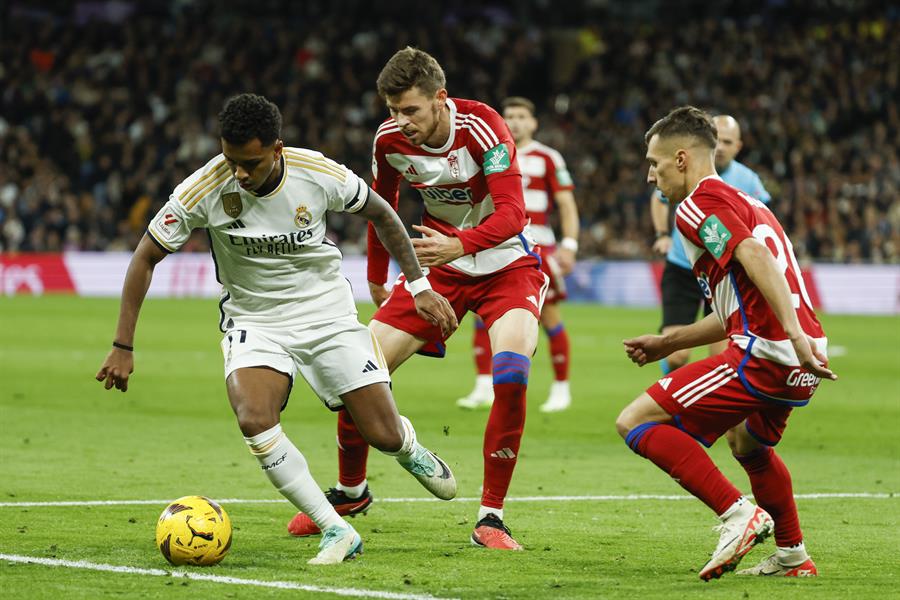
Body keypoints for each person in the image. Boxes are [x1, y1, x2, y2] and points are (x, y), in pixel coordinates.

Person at [95, 93, 460, 565]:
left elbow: (382, 214)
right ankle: (336, 529)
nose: (239, 174)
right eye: (231, 160)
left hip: (325, 312)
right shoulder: (204, 188)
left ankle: (408, 447)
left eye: (250, 162)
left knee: (382, 435)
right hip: (255, 319)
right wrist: (123, 344)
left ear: (277, 148)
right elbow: (145, 256)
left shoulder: (317, 173)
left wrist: (419, 285)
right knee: (253, 416)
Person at [288, 47, 548, 550]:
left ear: (440, 99)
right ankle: (350, 492)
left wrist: (461, 243)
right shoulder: (388, 141)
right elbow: (379, 208)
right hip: (437, 266)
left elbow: (513, 214)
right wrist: (378, 275)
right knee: (355, 369)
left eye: (410, 110)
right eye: (391, 110)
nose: (399, 121)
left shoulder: (485, 129)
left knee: (512, 376)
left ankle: (490, 518)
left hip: (506, 265)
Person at [617, 106, 836, 580]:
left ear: (681, 158)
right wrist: (667, 342)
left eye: (654, 164)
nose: (650, 177)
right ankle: (793, 555)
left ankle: (737, 514)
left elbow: (754, 256)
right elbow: (735, 307)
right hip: (801, 359)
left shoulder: (697, 204)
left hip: (769, 352)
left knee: (635, 421)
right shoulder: (751, 204)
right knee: (747, 444)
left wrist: (791, 335)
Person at [456, 96, 580, 413]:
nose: (515, 121)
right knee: (484, 317)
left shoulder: (548, 157)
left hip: (538, 245)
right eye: (509, 115)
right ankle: (483, 385)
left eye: (522, 116)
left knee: (549, 316)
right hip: (496, 245)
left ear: (534, 123)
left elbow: (566, 204)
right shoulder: (487, 151)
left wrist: (569, 244)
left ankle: (561, 388)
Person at [651, 115, 772, 373]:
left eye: (728, 141)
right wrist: (662, 234)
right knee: (675, 356)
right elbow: (659, 199)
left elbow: (760, 218)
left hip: (722, 273)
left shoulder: (748, 180)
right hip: (682, 268)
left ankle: (690, 408)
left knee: (722, 358)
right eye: (718, 140)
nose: (722, 147)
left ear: (738, 146)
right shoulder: (681, 171)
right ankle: (669, 403)